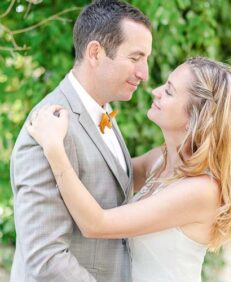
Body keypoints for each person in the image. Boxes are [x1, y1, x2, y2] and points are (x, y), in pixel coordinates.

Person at [27, 56, 231, 282]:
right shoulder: (161, 159)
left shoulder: (201, 190)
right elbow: (104, 174)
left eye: (169, 91)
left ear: (195, 118)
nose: (155, 91)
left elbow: (96, 224)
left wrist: (54, 148)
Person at [10, 0, 152, 281]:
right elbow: (45, 258)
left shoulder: (100, 112)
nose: (144, 74)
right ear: (96, 52)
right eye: (135, 59)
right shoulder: (49, 127)